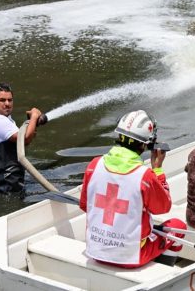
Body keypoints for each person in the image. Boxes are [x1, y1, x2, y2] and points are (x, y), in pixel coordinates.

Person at [79, 110, 186, 268]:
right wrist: (157, 169)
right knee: (178, 226)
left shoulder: (94, 165)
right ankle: (161, 270)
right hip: (130, 257)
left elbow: (84, 205)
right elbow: (164, 207)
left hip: (95, 251)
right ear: (145, 144)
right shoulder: (145, 176)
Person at [0, 82, 42, 194]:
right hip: (7, 187)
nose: (7, 104)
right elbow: (25, 139)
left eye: (10, 100)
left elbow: (22, 141)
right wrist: (34, 116)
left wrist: (33, 124)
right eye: (2, 100)